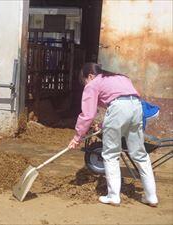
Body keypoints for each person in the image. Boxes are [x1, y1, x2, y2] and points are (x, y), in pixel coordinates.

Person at [68, 63, 158, 207]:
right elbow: (121, 105)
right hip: (136, 107)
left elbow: (88, 115)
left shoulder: (93, 83)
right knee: (140, 154)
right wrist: (104, 125)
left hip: (119, 109)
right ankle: (151, 196)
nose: (86, 84)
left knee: (110, 154)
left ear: (90, 76)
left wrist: (77, 137)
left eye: (84, 81)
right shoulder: (120, 78)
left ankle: (113, 196)